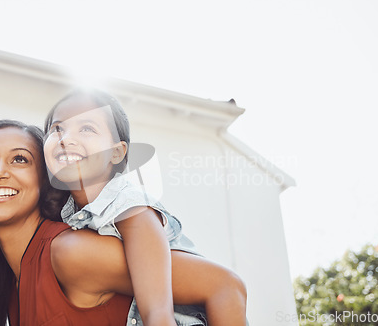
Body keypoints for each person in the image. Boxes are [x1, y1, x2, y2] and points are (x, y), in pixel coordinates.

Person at [0, 120, 247, 326]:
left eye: (19, 159)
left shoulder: (69, 253)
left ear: (45, 179)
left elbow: (225, 285)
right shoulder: (8, 287)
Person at [43, 88, 247, 326]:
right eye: (57, 129)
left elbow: (157, 314)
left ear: (116, 153)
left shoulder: (130, 206)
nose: (66, 138)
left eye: (87, 128)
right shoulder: (67, 214)